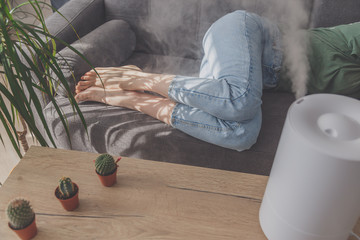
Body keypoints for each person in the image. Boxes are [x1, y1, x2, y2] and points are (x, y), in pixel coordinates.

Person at [74, 10, 283, 152]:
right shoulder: (317, 37)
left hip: (238, 75)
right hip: (243, 30)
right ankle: (137, 79)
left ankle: (130, 98)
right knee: (239, 101)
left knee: (242, 135)